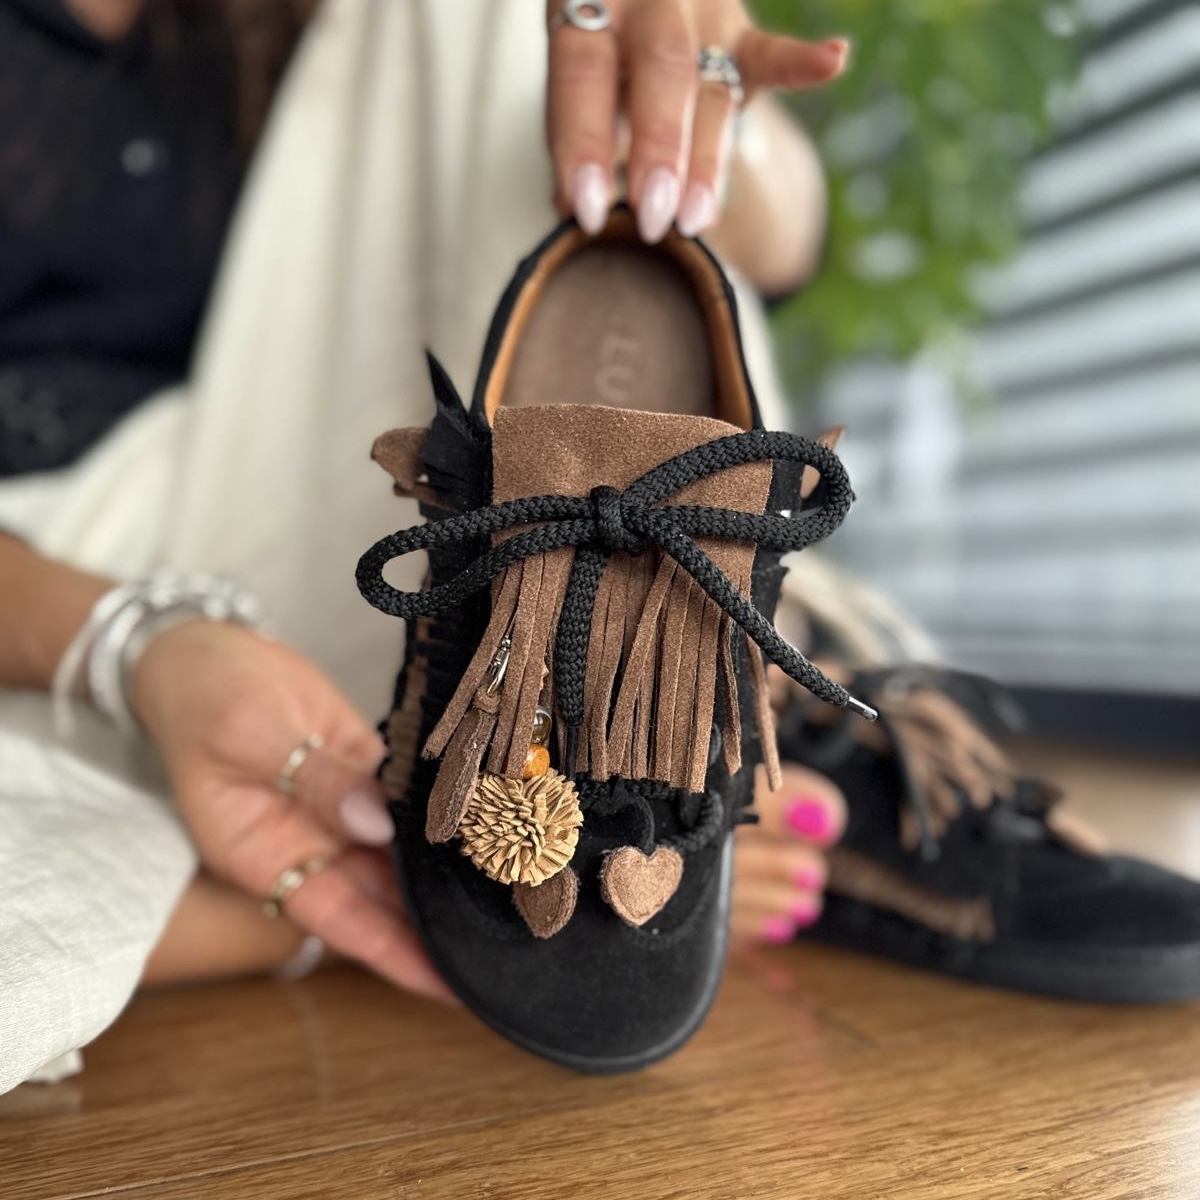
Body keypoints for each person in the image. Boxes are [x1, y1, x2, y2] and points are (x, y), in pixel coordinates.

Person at [0, 0, 849, 1089]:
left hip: (291, 479)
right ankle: (340, 878)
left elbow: (783, 241)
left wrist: (689, 90)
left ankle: (606, 620)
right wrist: (136, 643)